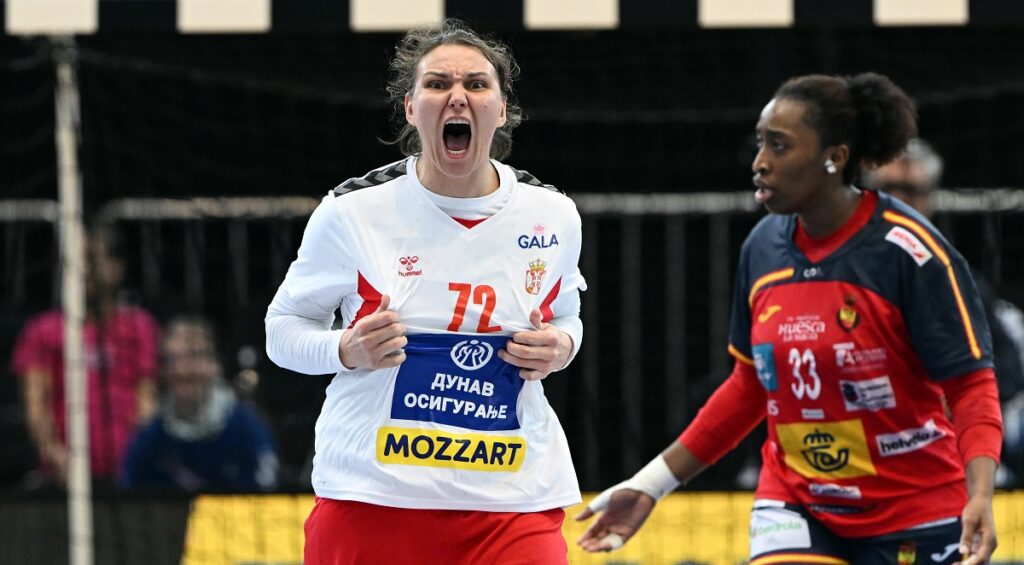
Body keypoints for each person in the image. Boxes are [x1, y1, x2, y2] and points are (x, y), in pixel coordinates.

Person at [577, 73, 1003, 565]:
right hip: (799, 505)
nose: (760, 163)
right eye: (760, 144)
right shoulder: (762, 247)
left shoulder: (911, 252)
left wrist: (980, 494)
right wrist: (651, 485)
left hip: (917, 508)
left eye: (779, 146)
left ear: (835, 157)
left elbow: (971, 385)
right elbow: (750, 385)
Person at [265, 19, 585, 565]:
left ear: (501, 109)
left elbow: (567, 317)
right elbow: (281, 331)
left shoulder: (552, 214)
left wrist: (561, 348)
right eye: (437, 84)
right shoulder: (353, 210)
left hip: (510, 494)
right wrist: (344, 349)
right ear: (411, 108)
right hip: (375, 492)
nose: (457, 96)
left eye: (477, 84)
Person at [863, 138, 1024, 485]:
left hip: (941, 445)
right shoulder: (839, 271)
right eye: (888, 189)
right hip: (855, 445)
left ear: (929, 199)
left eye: (911, 190)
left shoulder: (959, 280)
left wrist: (956, 405)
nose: (900, 202)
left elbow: (1007, 369)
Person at [10, 225, 159, 487]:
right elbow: (36, 404)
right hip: (61, 476)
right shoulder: (42, 330)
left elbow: (146, 401)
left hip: (128, 475)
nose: (82, 270)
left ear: (116, 267)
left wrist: (138, 457)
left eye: (91, 259)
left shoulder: (140, 326)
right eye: (71, 262)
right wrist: (54, 454)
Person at [120, 315, 279, 491]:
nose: (184, 369)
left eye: (195, 356)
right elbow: (129, 497)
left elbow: (267, 491)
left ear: (215, 365)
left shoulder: (247, 428)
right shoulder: (149, 438)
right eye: (174, 359)